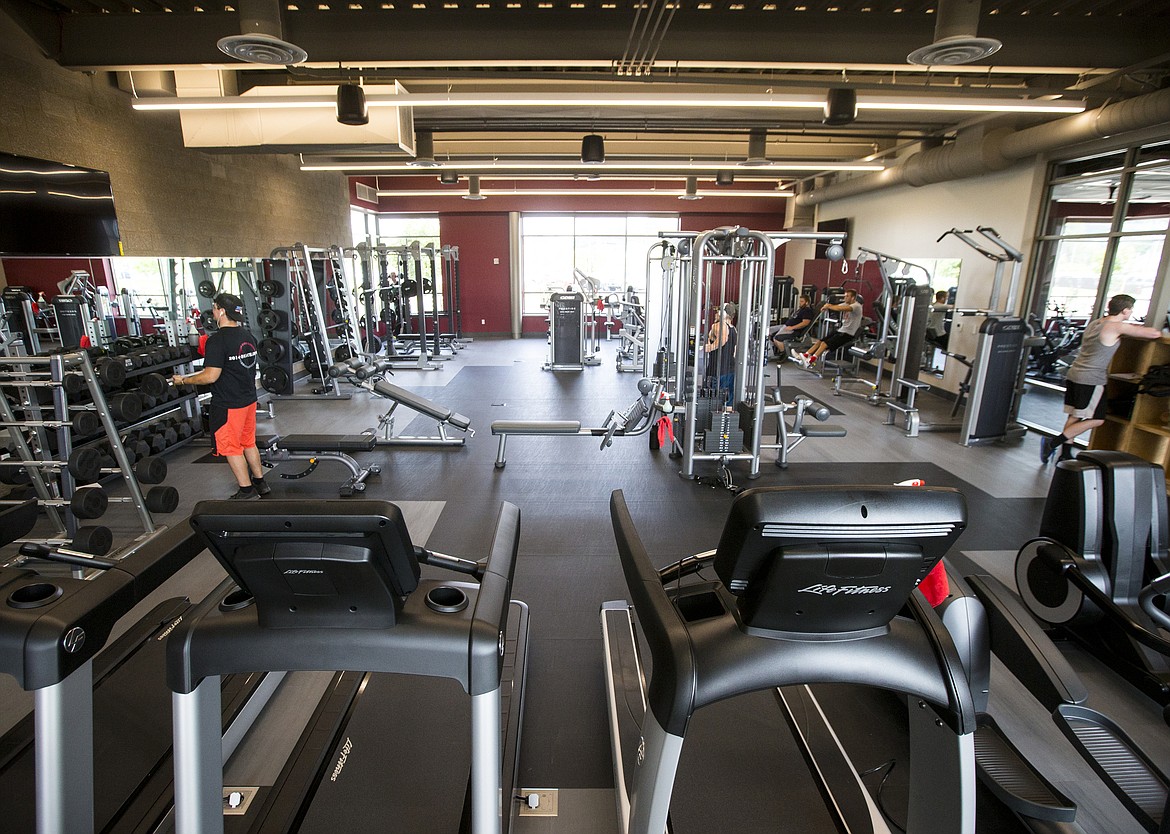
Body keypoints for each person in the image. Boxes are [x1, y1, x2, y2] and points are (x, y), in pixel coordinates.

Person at [1041, 293, 1163, 464]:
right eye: (1130, 310)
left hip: (1075, 373)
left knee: (1075, 416)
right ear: (1125, 310)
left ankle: (1065, 453)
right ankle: (1053, 442)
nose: (1130, 313)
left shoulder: (1096, 322)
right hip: (1091, 378)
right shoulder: (1117, 326)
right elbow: (1154, 334)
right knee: (1097, 419)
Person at [172, 293, 269, 499]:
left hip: (228, 404)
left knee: (232, 447)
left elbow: (210, 376)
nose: (213, 311)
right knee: (248, 442)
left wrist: (184, 380)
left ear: (222, 311)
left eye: (215, 307)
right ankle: (261, 483)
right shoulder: (248, 336)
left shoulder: (216, 341)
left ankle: (246, 490)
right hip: (248, 400)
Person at [792, 288, 863, 368]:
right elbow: (837, 306)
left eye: (847, 296)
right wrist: (826, 307)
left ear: (853, 298)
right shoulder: (846, 304)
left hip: (848, 334)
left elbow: (840, 308)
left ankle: (811, 361)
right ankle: (805, 356)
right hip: (841, 331)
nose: (844, 298)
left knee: (824, 344)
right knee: (819, 341)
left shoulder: (857, 306)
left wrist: (828, 306)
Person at [703, 302, 737, 404]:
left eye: (718, 311)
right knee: (728, 400)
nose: (716, 313)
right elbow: (734, 350)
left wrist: (709, 347)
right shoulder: (733, 329)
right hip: (730, 370)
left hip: (717, 371)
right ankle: (727, 419)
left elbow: (722, 339)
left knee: (714, 402)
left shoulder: (719, 325)